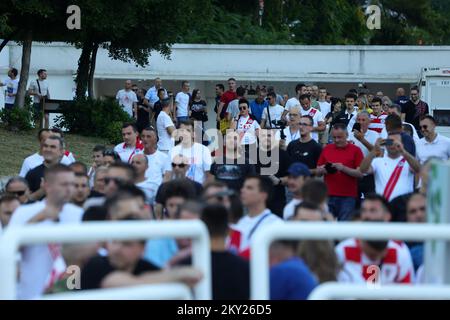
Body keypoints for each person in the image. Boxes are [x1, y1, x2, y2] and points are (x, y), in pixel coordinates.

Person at [9, 164, 83, 299]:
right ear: (47, 185)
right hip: (30, 291)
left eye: (72, 184)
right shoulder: (24, 212)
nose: (69, 189)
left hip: (67, 289)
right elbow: (10, 248)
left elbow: (82, 256)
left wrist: (72, 287)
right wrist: (38, 218)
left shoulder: (79, 214)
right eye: (64, 184)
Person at [335, 194, 414, 284]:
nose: (367, 216)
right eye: (364, 211)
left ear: (387, 216)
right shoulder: (343, 250)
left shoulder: (399, 250)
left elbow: (407, 292)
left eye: (373, 210)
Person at [316, 123, 364, 221]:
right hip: (328, 195)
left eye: (340, 137)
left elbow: (360, 174)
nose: (337, 140)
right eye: (334, 137)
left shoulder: (356, 150)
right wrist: (324, 169)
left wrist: (343, 168)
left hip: (348, 196)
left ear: (346, 135)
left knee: (344, 228)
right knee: (327, 228)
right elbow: (318, 171)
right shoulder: (327, 149)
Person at [228, 175, 282, 259]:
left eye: (249, 188)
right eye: (243, 187)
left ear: (263, 195)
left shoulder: (276, 224)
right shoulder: (238, 223)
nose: (242, 190)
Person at [359, 133, 420, 202]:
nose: (392, 145)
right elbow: (363, 170)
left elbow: (418, 169)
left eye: (396, 142)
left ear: (402, 144)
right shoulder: (377, 161)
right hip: (384, 206)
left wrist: (403, 151)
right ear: (385, 144)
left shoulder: (408, 161)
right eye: (390, 142)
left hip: (404, 206)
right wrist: (374, 151)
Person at [257, 129, 292, 217]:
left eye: (269, 136)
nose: (266, 138)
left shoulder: (283, 154)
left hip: (277, 201)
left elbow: (292, 177)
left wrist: (279, 180)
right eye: (263, 136)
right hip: (257, 201)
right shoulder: (252, 154)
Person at [165, 120, 212, 185]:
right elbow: (167, 176)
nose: (185, 133)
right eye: (182, 131)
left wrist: (202, 192)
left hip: (197, 191)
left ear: (193, 134)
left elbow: (209, 176)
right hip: (178, 191)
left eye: (188, 131)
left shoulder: (204, 150)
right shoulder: (172, 151)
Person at [25, 136, 65, 201]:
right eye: (46, 146)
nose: (48, 149)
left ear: (61, 152)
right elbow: (24, 202)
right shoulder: (33, 174)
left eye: (53, 147)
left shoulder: (68, 174)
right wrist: (42, 191)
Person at [405, 193, 426, 271]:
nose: (419, 215)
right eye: (413, 211)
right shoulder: (400, 246)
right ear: (407, 217)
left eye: (423, 209)